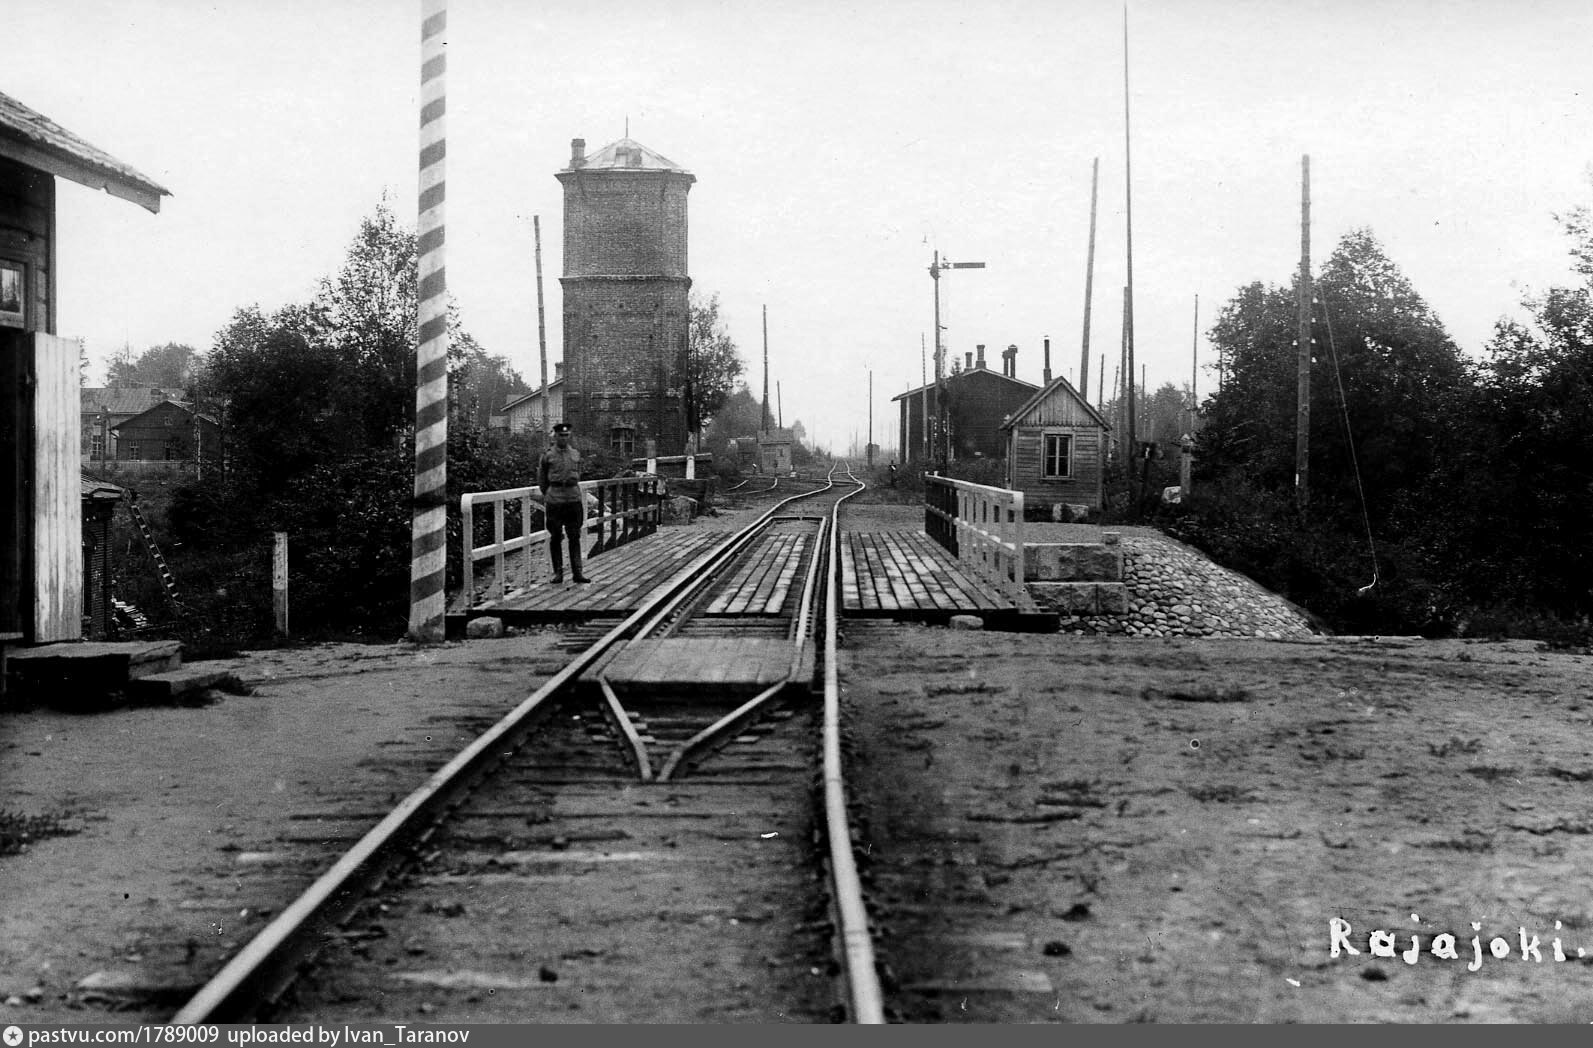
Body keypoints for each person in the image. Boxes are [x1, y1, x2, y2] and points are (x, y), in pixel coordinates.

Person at [538, 422, 589, 584]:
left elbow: (579, 473)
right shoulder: (547, 456)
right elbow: (542, 480)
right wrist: (549, 494)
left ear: (570, 436)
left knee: (574, 535)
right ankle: (558, 573)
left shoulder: (575, 454)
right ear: (555, 436)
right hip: (555, 500)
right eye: (561, 435)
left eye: (567, 435)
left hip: (573, 498)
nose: (564, 438)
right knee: (556, 536)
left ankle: (577, 572)